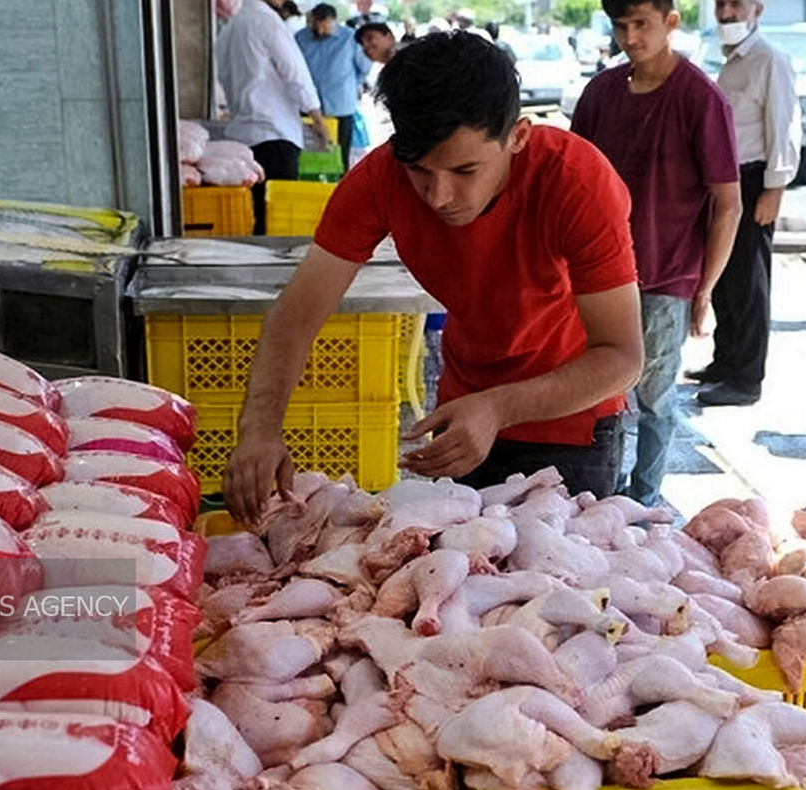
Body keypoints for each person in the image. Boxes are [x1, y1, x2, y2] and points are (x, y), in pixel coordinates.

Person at [223, 31, 645, 523]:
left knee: (564, 583)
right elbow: (296, 315)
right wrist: (259, 427)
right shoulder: (380, 177)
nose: (439, 195)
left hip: (569, 423)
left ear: (518, 137)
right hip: (463, 413)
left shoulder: (577, 180)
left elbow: (622, 356)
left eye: (465, 170)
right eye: (419, 170)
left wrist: (497, 409)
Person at [571, 0, 741, 507]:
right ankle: (598, 494)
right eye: (621, 25)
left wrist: (706, 287)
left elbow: (728, 204)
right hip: (595, 271)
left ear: (670, 22)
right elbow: (572, 179)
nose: (630, 36)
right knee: (592, 394)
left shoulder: (700, 98)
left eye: (641, 24)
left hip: (667, 274)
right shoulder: (601, 91)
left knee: (655, 398)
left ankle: (643, 501)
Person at [685, 0, 799, 407]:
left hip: (754, 181)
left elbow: (784, 124)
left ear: (757, 9)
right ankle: (726, 362)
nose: (727, 12)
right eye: (721, 4)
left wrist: (775, 188)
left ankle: (746, 379)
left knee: (750, 282)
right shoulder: (730, 60)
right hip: (725, 181)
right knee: (726, 278)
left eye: (736, 4)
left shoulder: (769, 59)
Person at [217, 0, 330, 235]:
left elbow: (224, 77)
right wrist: (317, 119)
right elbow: (296, 74)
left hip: (243, 138)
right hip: (275, 135)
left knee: (255, 220)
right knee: (276, 224)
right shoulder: (268, 22)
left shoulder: (231, 27)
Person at [296, 4, 372, 171]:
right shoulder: (300, 38)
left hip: (341, 107)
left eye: (326, 27)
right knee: (309, 154)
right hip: (309, 107)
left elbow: (364, 68)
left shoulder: (350, 38)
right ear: (312, 22)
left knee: (340, 156)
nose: (322, 32)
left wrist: (350, 86)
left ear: (334, 22)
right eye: (318, 27)